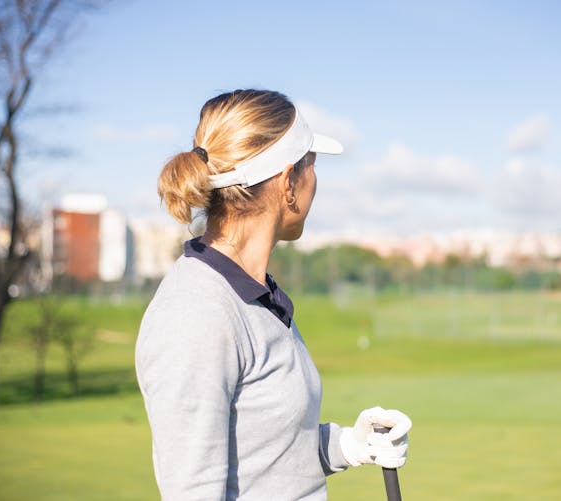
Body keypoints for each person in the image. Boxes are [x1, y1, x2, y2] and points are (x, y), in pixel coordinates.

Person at [135, 89, 411, 500]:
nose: (316, 181)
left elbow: (270, 459)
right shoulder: (197, 313)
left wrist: (350, 445)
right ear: (287, 182)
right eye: (312, 165)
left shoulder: (256, 293)